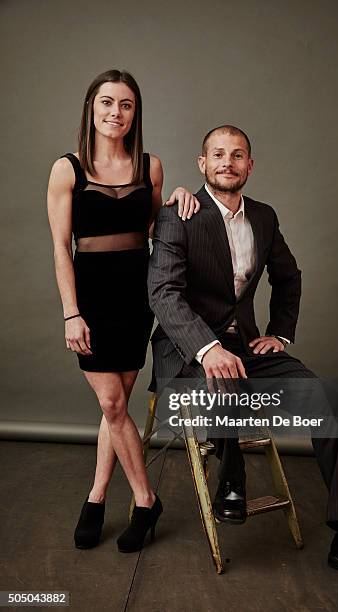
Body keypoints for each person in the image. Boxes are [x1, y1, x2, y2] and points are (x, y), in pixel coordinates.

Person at [147, 125, 338, 591]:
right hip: (187, 350)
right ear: (202, 163)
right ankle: (231, 476)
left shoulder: (264, 217)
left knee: (331, 402)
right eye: (218, 155)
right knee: (221, 379)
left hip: (248, 348)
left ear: (250, 165)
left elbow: (289, 277)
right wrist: (207, 348)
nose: (228, 162)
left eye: (238, 155)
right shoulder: (178, 216)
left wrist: (279, 334)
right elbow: (163, 293)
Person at [47, 69, 200, 553]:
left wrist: (177, 200)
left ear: (136, 114)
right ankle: (145, 500)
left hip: (138, 296)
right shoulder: (66, 168)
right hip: (91, 298)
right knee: (113, 405)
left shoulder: (150, 166)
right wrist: (71, 312)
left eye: (126, 105)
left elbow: (156, 228)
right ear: (91, 109)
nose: (116, 113)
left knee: (115, 410)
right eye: (107, 103)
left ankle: (95, 497)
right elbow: (59, 246)